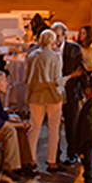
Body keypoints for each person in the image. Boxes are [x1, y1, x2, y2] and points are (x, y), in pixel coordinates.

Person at [25, 29, 65, 172]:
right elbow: (56, 79)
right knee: (54, 129)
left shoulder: (31, 56)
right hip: (52, 96)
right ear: (52, 41)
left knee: (34, 128)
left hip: (36, 95)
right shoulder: (56, 56)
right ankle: (52, 161)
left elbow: (26, 78)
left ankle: (31, 159)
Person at [53, 22, 84, 165]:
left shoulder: (74, 49)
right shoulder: (49, 49)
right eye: (53, 36)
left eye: (58, 36)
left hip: (70, 91)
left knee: (72, 124)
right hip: (54, 92)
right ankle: (55, 153)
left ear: (64, 35)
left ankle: (73, 153)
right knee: (54, 125)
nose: (56, 39)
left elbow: (80, 70)